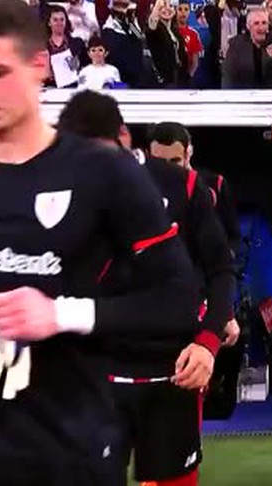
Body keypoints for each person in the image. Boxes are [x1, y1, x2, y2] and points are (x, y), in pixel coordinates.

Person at [0, 0, 201, 485]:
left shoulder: (104, 174)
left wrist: (61, 314)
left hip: (64, 452)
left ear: (39, 65)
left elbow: (178, 299)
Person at [55, 90, 239, 486]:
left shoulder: (182, 185)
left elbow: (221, 268)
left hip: (171, 368)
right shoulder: (66, 190)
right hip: (96, 373)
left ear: (123, 137)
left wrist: (208, 341)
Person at [147, 121, 242, 258]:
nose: (168, 169)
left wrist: (223, 260)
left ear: (188, 154)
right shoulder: (138, 189)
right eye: (160, 162)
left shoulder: (215, 184)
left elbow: (233, 237)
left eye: (175, 161)